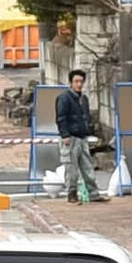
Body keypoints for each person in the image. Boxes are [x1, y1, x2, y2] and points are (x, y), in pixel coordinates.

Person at [50, 70, 100, 205]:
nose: (79, 84)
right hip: (70, 138)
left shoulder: (83, 99)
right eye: (76, 82)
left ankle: (94, 193)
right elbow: (61, 118)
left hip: (82, 137)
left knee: (87, 166)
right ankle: (71, 194)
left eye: (81, 82)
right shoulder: (64, 98)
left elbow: (86, 117)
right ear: (71, 83)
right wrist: (65, 135)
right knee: (71, 169)